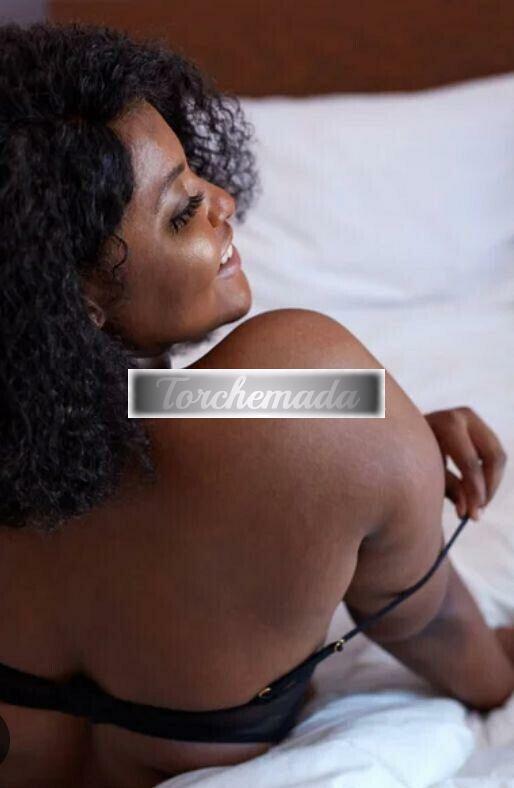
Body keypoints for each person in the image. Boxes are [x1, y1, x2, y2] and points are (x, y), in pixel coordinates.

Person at [0, 20, 512, 788]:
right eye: (182, 211)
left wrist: (391, 428)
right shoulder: (315, 393)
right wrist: (374, 441)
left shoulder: (305, 398)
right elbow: (463, 651)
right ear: (76, 299)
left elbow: (146, 410)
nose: (226, 200)